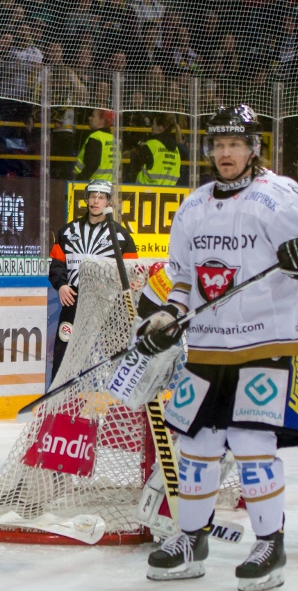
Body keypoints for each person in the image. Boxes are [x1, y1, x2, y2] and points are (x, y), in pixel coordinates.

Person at [136, 104, 298, 590]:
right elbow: (183, 276)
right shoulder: (195, 204)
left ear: (253, 149)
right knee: (196, 446)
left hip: (264, 344)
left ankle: (270, 544)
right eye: (219, 145)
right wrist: (168, 313)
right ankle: (191, 538)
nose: (225, 153)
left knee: (251, 444)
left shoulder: (282, 196)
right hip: (206, 346)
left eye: (235, 145)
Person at [48, 179, 137, 379]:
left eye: (102, 197)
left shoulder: (122, 237)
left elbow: (132, 275)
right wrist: (62, 286)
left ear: (109, 202)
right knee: (64, 355)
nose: (96, 201)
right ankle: (59, 404)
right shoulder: (68, 232)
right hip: (74, 302)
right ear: (86, 199)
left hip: (109, 305)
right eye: (93, 196)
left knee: (116, 354)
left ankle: (120, 400)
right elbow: (56, 265)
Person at [131, 112, 182, 186]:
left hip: (146, 191)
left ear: (160, 128)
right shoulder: (176, 149)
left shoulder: (151, 145)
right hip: (169, 192)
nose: (151, 127)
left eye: (153, 124)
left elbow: (136, 166)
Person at [73, 109, 115, 181]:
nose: (89, 118)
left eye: (93, 116)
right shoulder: (113, 138)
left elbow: (92, 164)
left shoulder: (95, 137)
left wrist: (80, 179)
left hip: (94, 185)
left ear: (101, 122)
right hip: (110, 184)